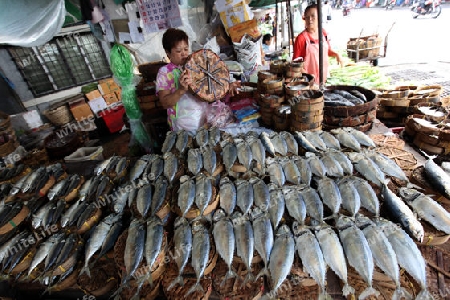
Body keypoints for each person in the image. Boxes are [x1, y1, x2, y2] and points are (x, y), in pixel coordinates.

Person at [156, 28, 239, 132]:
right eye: (178, 51)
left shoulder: (197, 64)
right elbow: (165, 103)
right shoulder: (165, 73)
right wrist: (181, 90)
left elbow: (214, 84)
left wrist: (227, 86)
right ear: (167, 53)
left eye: (186, 49)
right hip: (182, 127)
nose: (184, 54)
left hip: (205, 120)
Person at [292, 4, 343, 85]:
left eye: (313, 16)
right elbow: (295, 63)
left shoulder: (323, 33)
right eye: (307, 17)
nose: (310, 20)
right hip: (307, 82)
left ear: (319, 17)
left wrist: (336, 54)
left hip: (322, 78)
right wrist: (308, 78)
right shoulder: (301, 38)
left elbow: (327, 51)